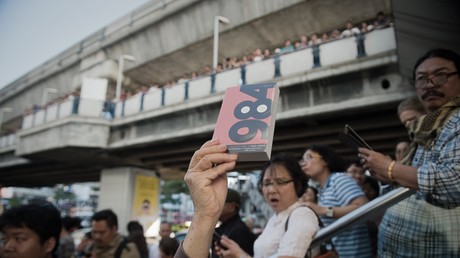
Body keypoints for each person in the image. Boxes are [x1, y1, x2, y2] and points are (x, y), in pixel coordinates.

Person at [358, 48, 460, 257]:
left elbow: (454, 181)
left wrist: (391, 168)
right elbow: (416, 181)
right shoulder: (426, 130)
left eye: (440, 75)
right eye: (421, 79)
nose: (430, 84)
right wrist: (388, 175)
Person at [215, 153, 319, 258]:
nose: (271, 190)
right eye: (266, 183)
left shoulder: (301, 215)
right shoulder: (275, 218)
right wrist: (238, 253)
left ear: (298, 185)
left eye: (280, 182)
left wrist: (240, 255)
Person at [300, 144, 372, 258]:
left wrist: (322, 210)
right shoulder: (323, 189)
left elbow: (364, 206)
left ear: (325, 161)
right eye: (302, 160)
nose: (303, 163)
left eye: (309, 157)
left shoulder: (339, 179)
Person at [211, 188, 256, 258]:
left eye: (218, 202)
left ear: (231, 207)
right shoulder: (225, 229)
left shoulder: (239, 231)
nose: (212, 206)